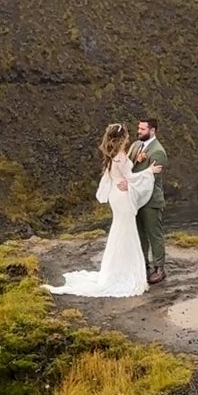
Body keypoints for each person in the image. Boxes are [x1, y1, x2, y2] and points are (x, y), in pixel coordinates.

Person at [48, 124, 163, 299]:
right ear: (122, 138)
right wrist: (149, 171)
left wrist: (136, 161)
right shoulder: (121, 157)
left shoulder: (113, 155)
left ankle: (116, 269)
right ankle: (125, 272)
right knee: (126, 232)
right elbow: (130, 177)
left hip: (116, 195)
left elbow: (122, 171)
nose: (129, 137)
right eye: (126, 136)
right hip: (122, 197)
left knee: (120, 231)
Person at [130, 115, 169, 285]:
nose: (138, 131)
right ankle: (143, 264)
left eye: (142, 129)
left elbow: (151, 179)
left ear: (152, 130)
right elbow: (128, 166)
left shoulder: (158, 151)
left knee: (154, 234)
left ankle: (159, 268)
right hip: (137, 198)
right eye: (139, 128)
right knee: (140, 233)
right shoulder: (136, 145)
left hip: (151, 199)